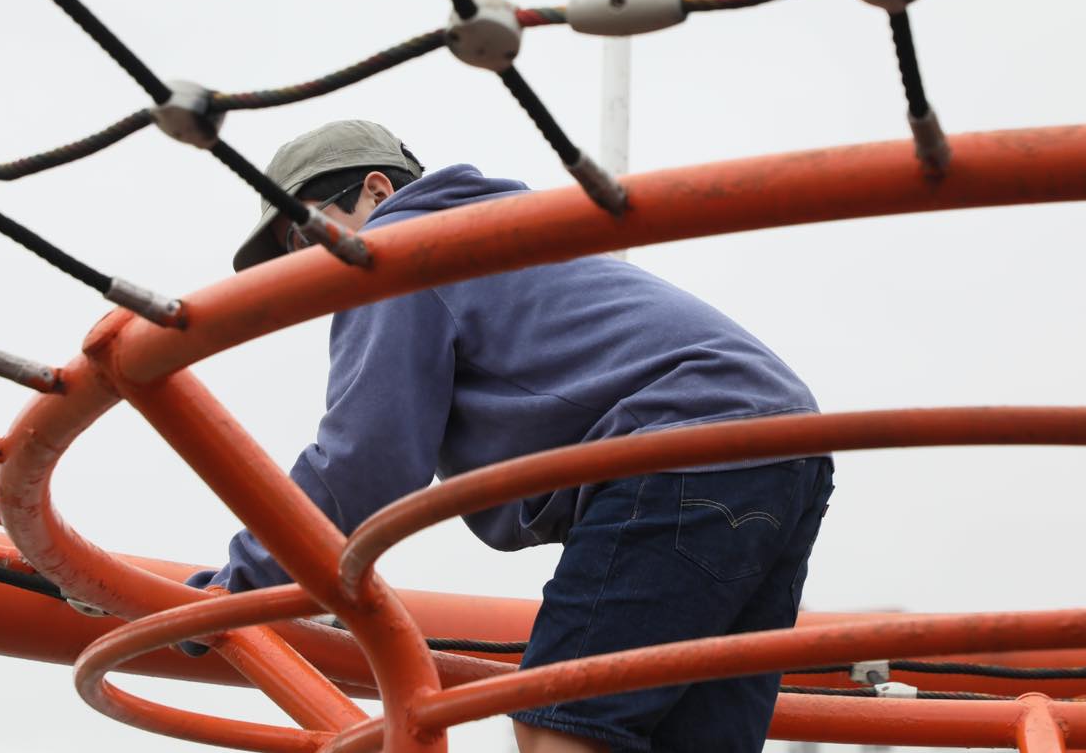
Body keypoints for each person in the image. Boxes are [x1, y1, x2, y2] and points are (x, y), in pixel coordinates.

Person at [190, 120, 835, 753]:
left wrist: (234, 590)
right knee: (690, 739)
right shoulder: (503, 239)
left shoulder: (396, 249)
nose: (306, 270)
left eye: (306, 237)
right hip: (787, 453)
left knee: (559, 723)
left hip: (681, 446)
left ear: (377, 192)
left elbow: (364, 464)